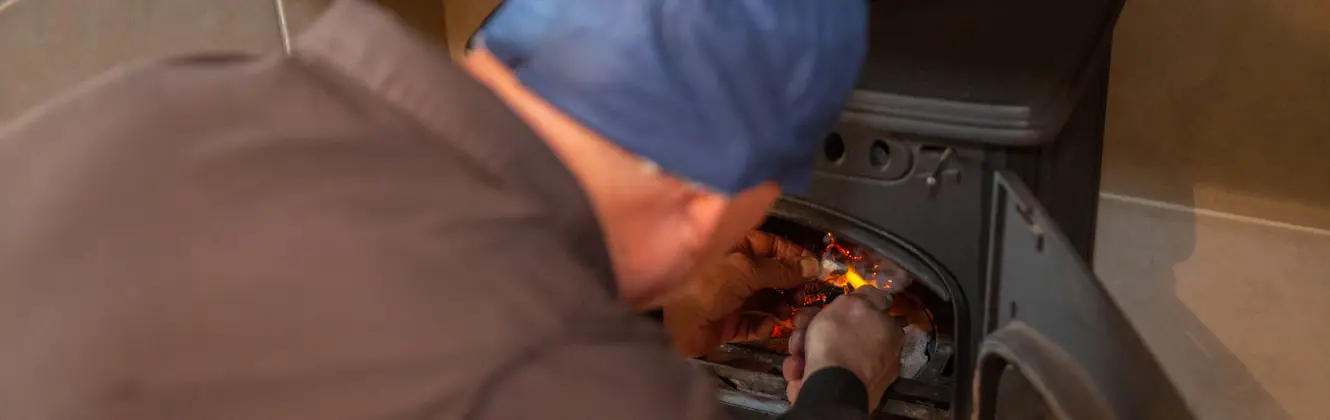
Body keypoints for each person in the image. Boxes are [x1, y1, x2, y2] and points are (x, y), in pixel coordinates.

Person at [0, 0, 906, 419]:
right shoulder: (531, 362)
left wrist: (655, 335)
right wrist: (840, 382)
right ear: (699, 204)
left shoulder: (170, 98)